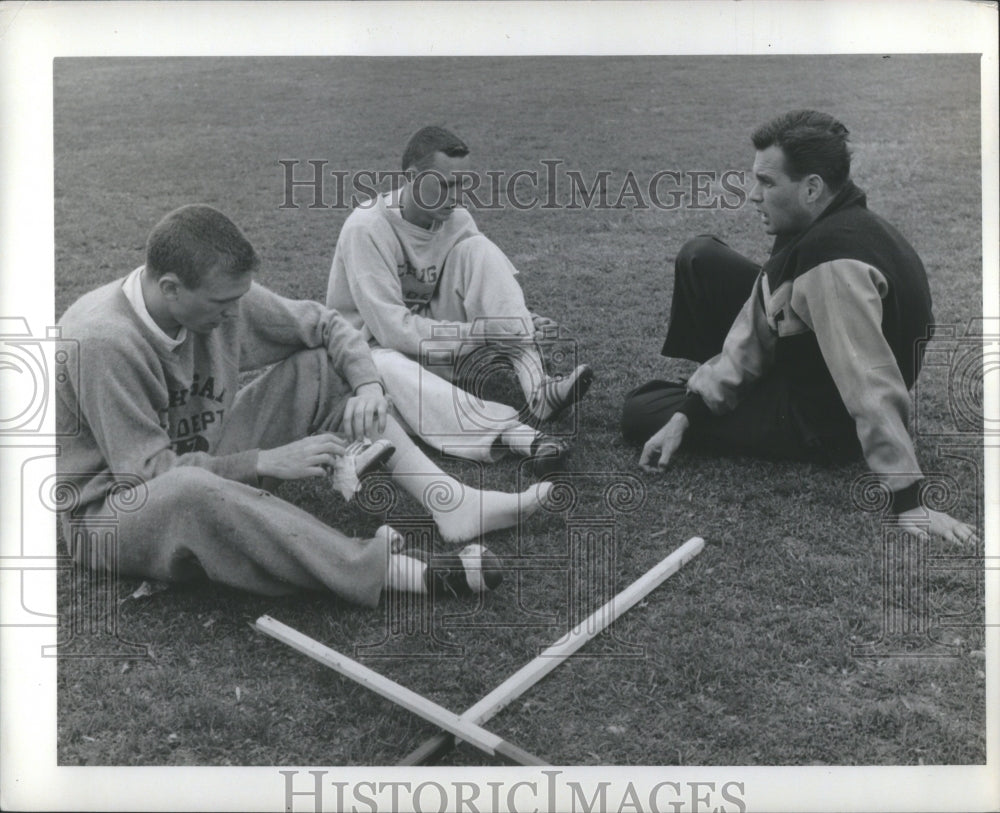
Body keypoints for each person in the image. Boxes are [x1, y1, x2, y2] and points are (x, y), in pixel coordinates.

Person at [56, 204, 555, 605]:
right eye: (222, 305)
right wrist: (265, 462)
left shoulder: (219, 296)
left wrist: (367, 387)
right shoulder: (104, 340)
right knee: (191, 488)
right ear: (169, 288)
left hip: (198, 453)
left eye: (238, 300)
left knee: (323, 366)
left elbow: (325, 324)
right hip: (113, 511)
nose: (234, 315)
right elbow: (146, 475)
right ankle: (404, 574)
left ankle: (450, 503)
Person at [622, 110, 978, 545]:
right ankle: (710, 400)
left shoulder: (831, 266)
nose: (753, 195)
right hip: (814, 372)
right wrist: (689, 412)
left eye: (768, 183)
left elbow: (869, 381)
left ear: (812, 188)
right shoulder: (832, 225)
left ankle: (734, 406)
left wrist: (909, 500)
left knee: (640, 407)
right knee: (702, 258)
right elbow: (755, 329)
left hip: (823, 425)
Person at [326, 125, 593, 475]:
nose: (456, 196)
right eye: (446, 184)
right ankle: (518, 436)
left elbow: (485, 285)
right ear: (412, 177)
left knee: (478, 249)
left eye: (463, 184)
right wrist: (484, 333)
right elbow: (392, 331)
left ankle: (539, 389)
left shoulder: (455, 218)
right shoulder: (367, 227)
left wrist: (520, 318)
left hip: (434, 345)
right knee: (389, 363)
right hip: (371, 356)